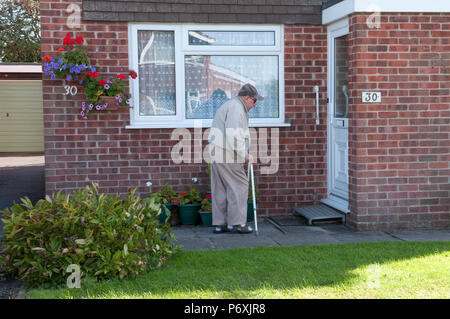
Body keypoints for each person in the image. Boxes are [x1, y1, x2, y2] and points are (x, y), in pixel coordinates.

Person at [208, 83, 264, 234]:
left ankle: (221, 224)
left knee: (221, 188)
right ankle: (237, 223)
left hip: (216, 150)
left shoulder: (231, 106)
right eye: (254, 101)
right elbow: (234, 135)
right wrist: (243, 154)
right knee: (239, 185)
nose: (254, 105)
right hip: (227, 152)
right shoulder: (237, 109)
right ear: (246, 98)